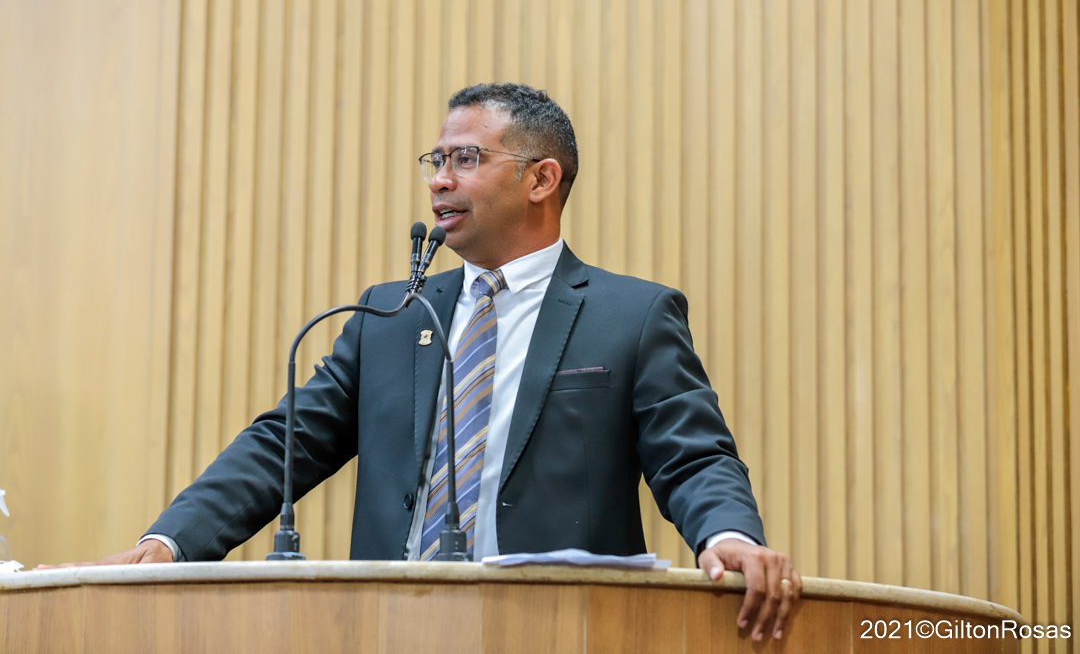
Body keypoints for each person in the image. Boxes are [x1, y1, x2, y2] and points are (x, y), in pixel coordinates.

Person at [44, 83, 801, 641]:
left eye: (466, 159)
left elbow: (693, 456)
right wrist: (167, 544)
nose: (439, 179)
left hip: (559, 627)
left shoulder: (629, 315)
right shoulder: (392, 314)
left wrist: (728, 536)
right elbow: (283, 443)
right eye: (435, 160)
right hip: (385, 628)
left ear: (542, 179)